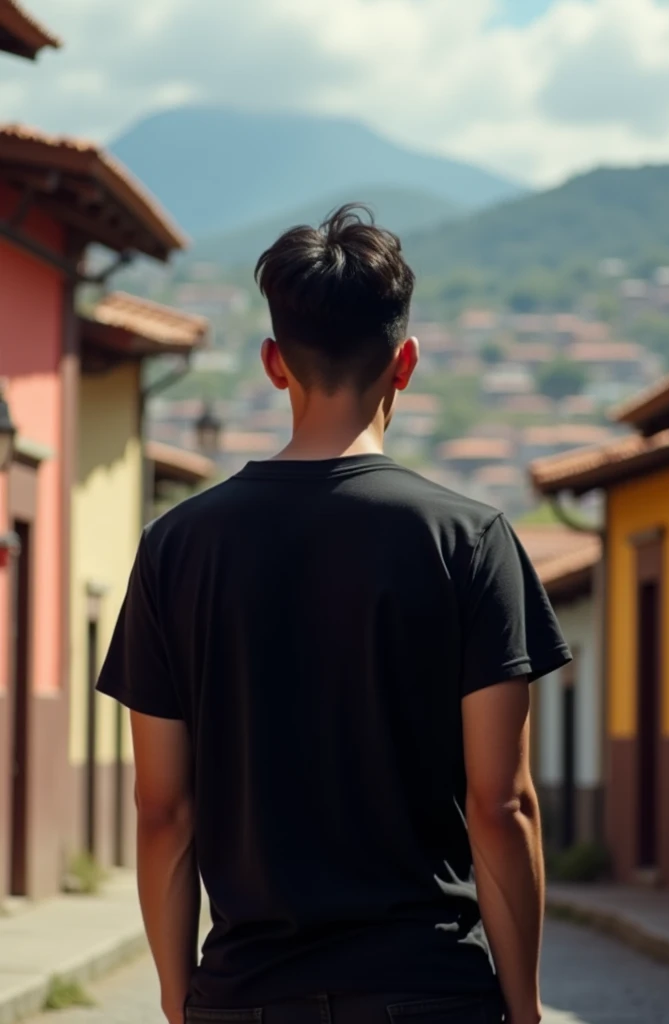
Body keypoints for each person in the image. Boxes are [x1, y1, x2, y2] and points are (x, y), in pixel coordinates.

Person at [97, 205, 570, 1024]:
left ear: (274, 363)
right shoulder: (471, 542)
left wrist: (181, 1000)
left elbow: (164, 810)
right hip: (428, 991)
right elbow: (503, 804)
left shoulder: (176, 547)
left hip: (245, 993)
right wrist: (524, 1008)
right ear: (406, 363)